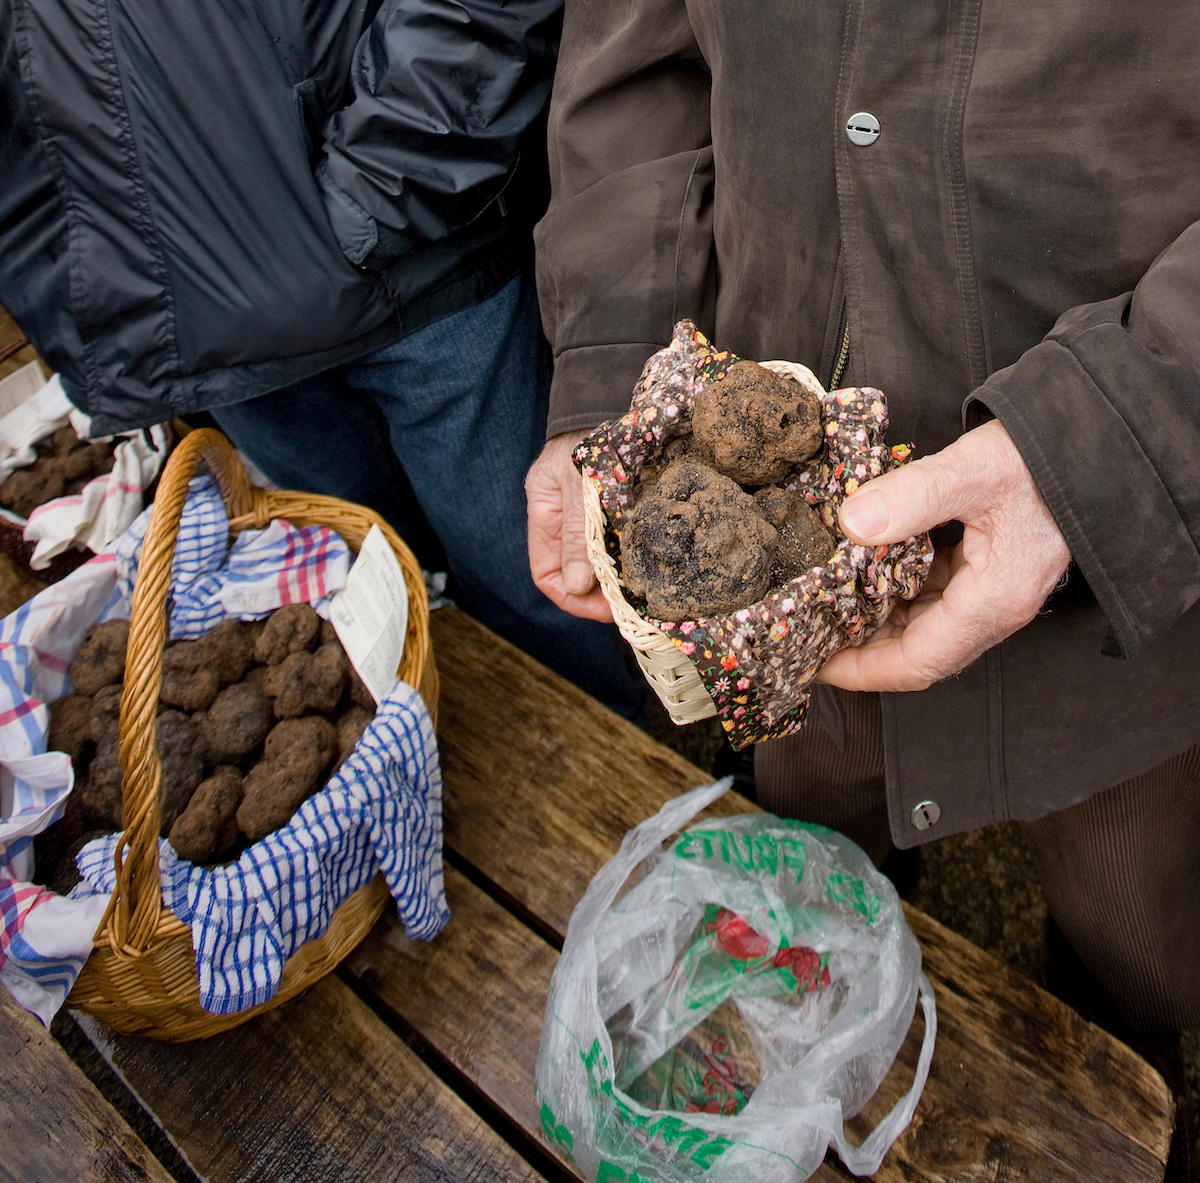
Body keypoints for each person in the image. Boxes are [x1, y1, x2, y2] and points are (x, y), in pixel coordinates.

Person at [525, 0, 1200, 1135]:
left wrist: (1116, 441)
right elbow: (629, 60)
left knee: (1133, 942)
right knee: (815, 866)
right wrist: (612, 375)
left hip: (1138, 595)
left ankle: (1122, 1105)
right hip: (793, 588)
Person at [0, 0, 643, 720]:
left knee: (544, 582)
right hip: (208, 339)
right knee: (375, 585)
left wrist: (394, 176)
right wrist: (79, 288)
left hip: (418, 272)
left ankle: (624, 764)